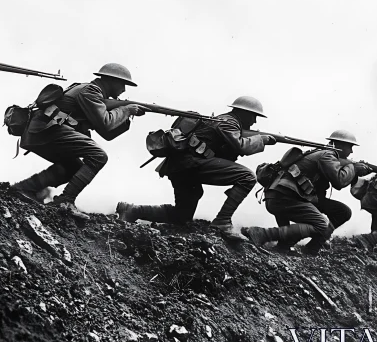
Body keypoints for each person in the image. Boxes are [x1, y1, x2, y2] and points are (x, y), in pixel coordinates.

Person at [116, 96, 276, 240]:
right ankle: (223, 221)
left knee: (181, 216)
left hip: (182, 167)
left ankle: (132, 210)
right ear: (244, 113)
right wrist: (261, 140)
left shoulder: (225, 122)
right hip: (192, 164)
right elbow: (240, 146)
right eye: (254, 116)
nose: (254, 121)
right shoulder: (229, 122)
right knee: (247, 177)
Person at [12, 64, 147, 219]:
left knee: (73, 167)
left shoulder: (92, 93)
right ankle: (65, 200)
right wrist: (126, 109)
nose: (124, 89)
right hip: (46, 130)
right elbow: (106, 123)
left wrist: (126, 114)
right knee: (98, 156)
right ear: (111, 80)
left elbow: (107, 134)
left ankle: (24, 189)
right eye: (123, 84)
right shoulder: (91, 91)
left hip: (41, 132)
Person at [239, 130, 372, 255]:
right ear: (342, 145)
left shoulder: (320, 153)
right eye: (350, 147)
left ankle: (308, 248)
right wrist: (353, 168)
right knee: (322, 225)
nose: (351, 151)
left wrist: (354, 171)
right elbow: (339, 181)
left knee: (343, 211)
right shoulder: (327, 155)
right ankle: (262, 234)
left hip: (283, 196)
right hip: (286, 197)